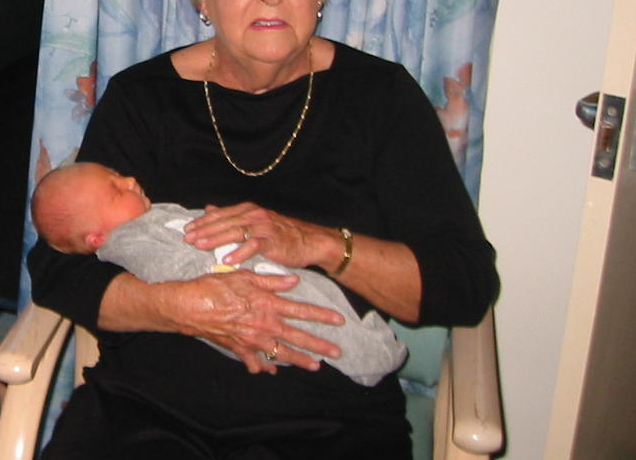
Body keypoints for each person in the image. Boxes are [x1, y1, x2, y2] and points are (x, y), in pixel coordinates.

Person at [3, 0, 498, 460]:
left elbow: (462, 283)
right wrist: (180, 307)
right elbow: (60, 266)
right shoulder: (144, 100)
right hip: (150, 409)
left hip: (326, 426)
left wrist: (319, 243)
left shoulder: (380, 100)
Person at [30, 161, 407, 386]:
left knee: (322, 299)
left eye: (118, 175)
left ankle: (370, 338)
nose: (129, 180)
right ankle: (373, 360)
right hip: (234, 298)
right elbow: (170, 272)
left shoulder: (151, 214)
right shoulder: (126, 240)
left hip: (255, 271)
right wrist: (214, 277)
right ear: (96, 237)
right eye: (115, 190)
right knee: (317, 326)